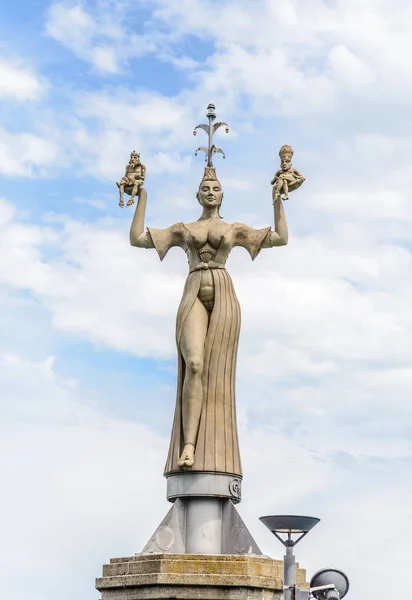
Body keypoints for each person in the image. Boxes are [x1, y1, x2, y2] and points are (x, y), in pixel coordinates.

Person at [130, 167, 289, 476]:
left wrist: (277, 199)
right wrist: (142, 196)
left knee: (217, 372)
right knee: (196, 364)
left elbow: (281, 238)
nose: (211, 191)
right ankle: (188, 445)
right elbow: (137, 239)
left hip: (223, 292)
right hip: (193, 290)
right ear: (198, 195)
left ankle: (211, 442)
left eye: (215, 187)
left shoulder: (235, 229)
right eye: (206, 188)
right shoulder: (182, 228)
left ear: (222, 194)